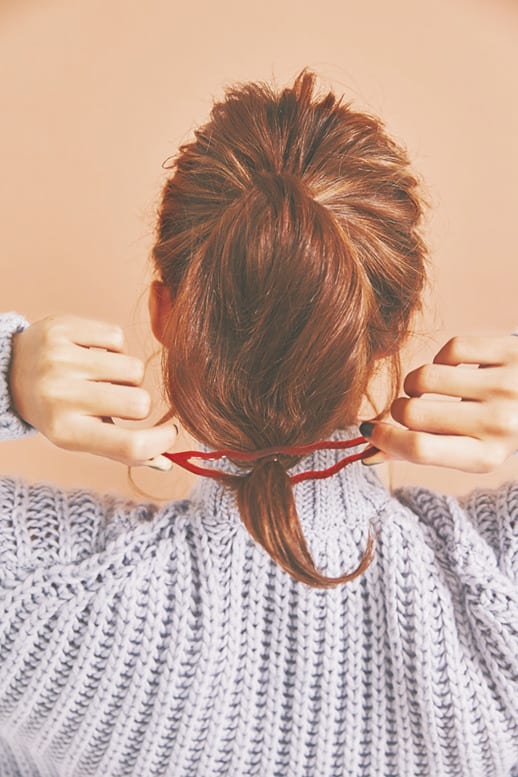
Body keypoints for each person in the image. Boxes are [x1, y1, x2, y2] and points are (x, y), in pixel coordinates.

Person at [1, 69, 517, 777]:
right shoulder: (498, 593)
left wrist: (8, 374)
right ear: (393, 328)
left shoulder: (39, 593)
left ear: (164, 312)